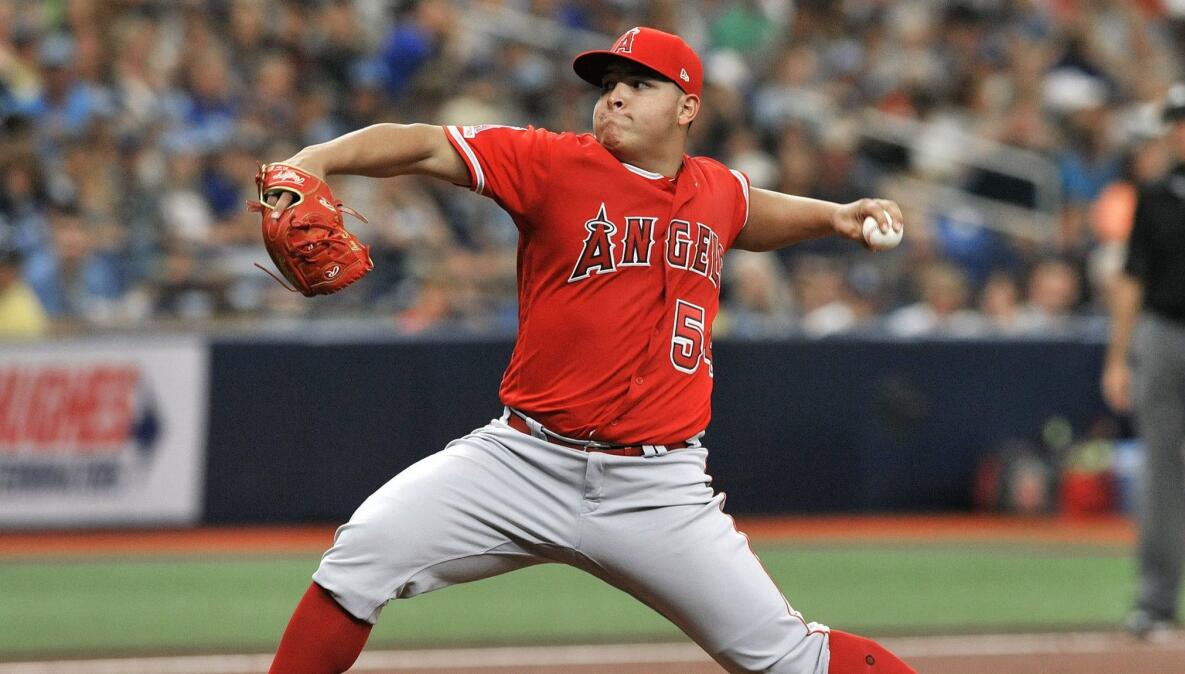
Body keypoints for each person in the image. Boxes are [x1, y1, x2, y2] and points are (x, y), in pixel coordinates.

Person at [265, 28, 914, 674]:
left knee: (786, 657)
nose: (615, 98)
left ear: (688, 107)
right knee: (360, 559)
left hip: (658, 489)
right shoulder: (552, 162)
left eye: (639, 84)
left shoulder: (716, 190)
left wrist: (834, 216)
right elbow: (425, 143)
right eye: (608, 87)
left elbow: (750, 212)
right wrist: (317, 157)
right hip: (522, 460)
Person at [1102, 81, 1185, 640]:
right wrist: (1119, 357)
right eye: (1176, 123)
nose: (1180, 132)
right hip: (1165, 336)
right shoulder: (1157, 193)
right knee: (1162, 473)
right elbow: (1132, 280)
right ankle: (1156, 601)